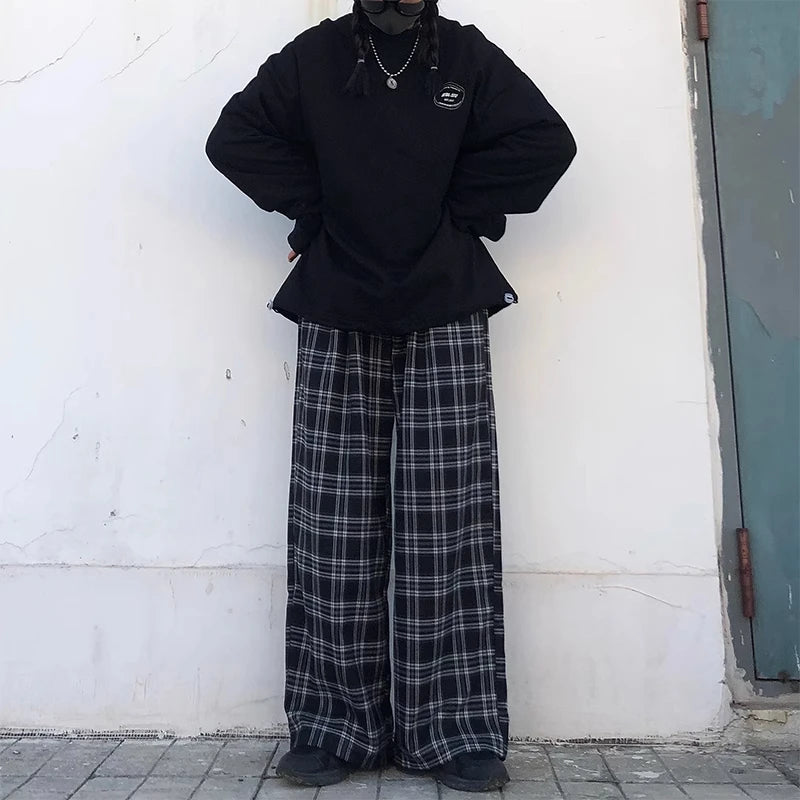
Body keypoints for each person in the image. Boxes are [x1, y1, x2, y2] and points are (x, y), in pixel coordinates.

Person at [205, 0, 576, 792]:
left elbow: (547, 143)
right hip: (338, 297)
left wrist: (459, 210)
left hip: (445, 298)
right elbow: (234, 138)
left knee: (448, 520)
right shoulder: (315, 57)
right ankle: (335, 729)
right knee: (333, 522)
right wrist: (319, 209)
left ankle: (455, 730)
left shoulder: (467, 58)